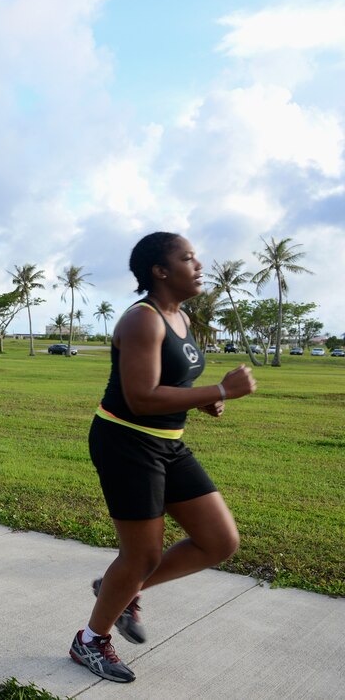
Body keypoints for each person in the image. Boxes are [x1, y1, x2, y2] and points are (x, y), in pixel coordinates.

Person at [68, 233, 257, 684]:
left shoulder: (182, 317)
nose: (199, 265)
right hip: (126, 441)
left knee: (219, 541)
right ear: (160, 270)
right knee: (143, 554)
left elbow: (171, 382)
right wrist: (221, 389)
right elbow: (140, 397)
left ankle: (121, 591)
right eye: (187, 258)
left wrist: (205, 400)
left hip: (167, 441)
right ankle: (90, 641)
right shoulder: (143, 321)